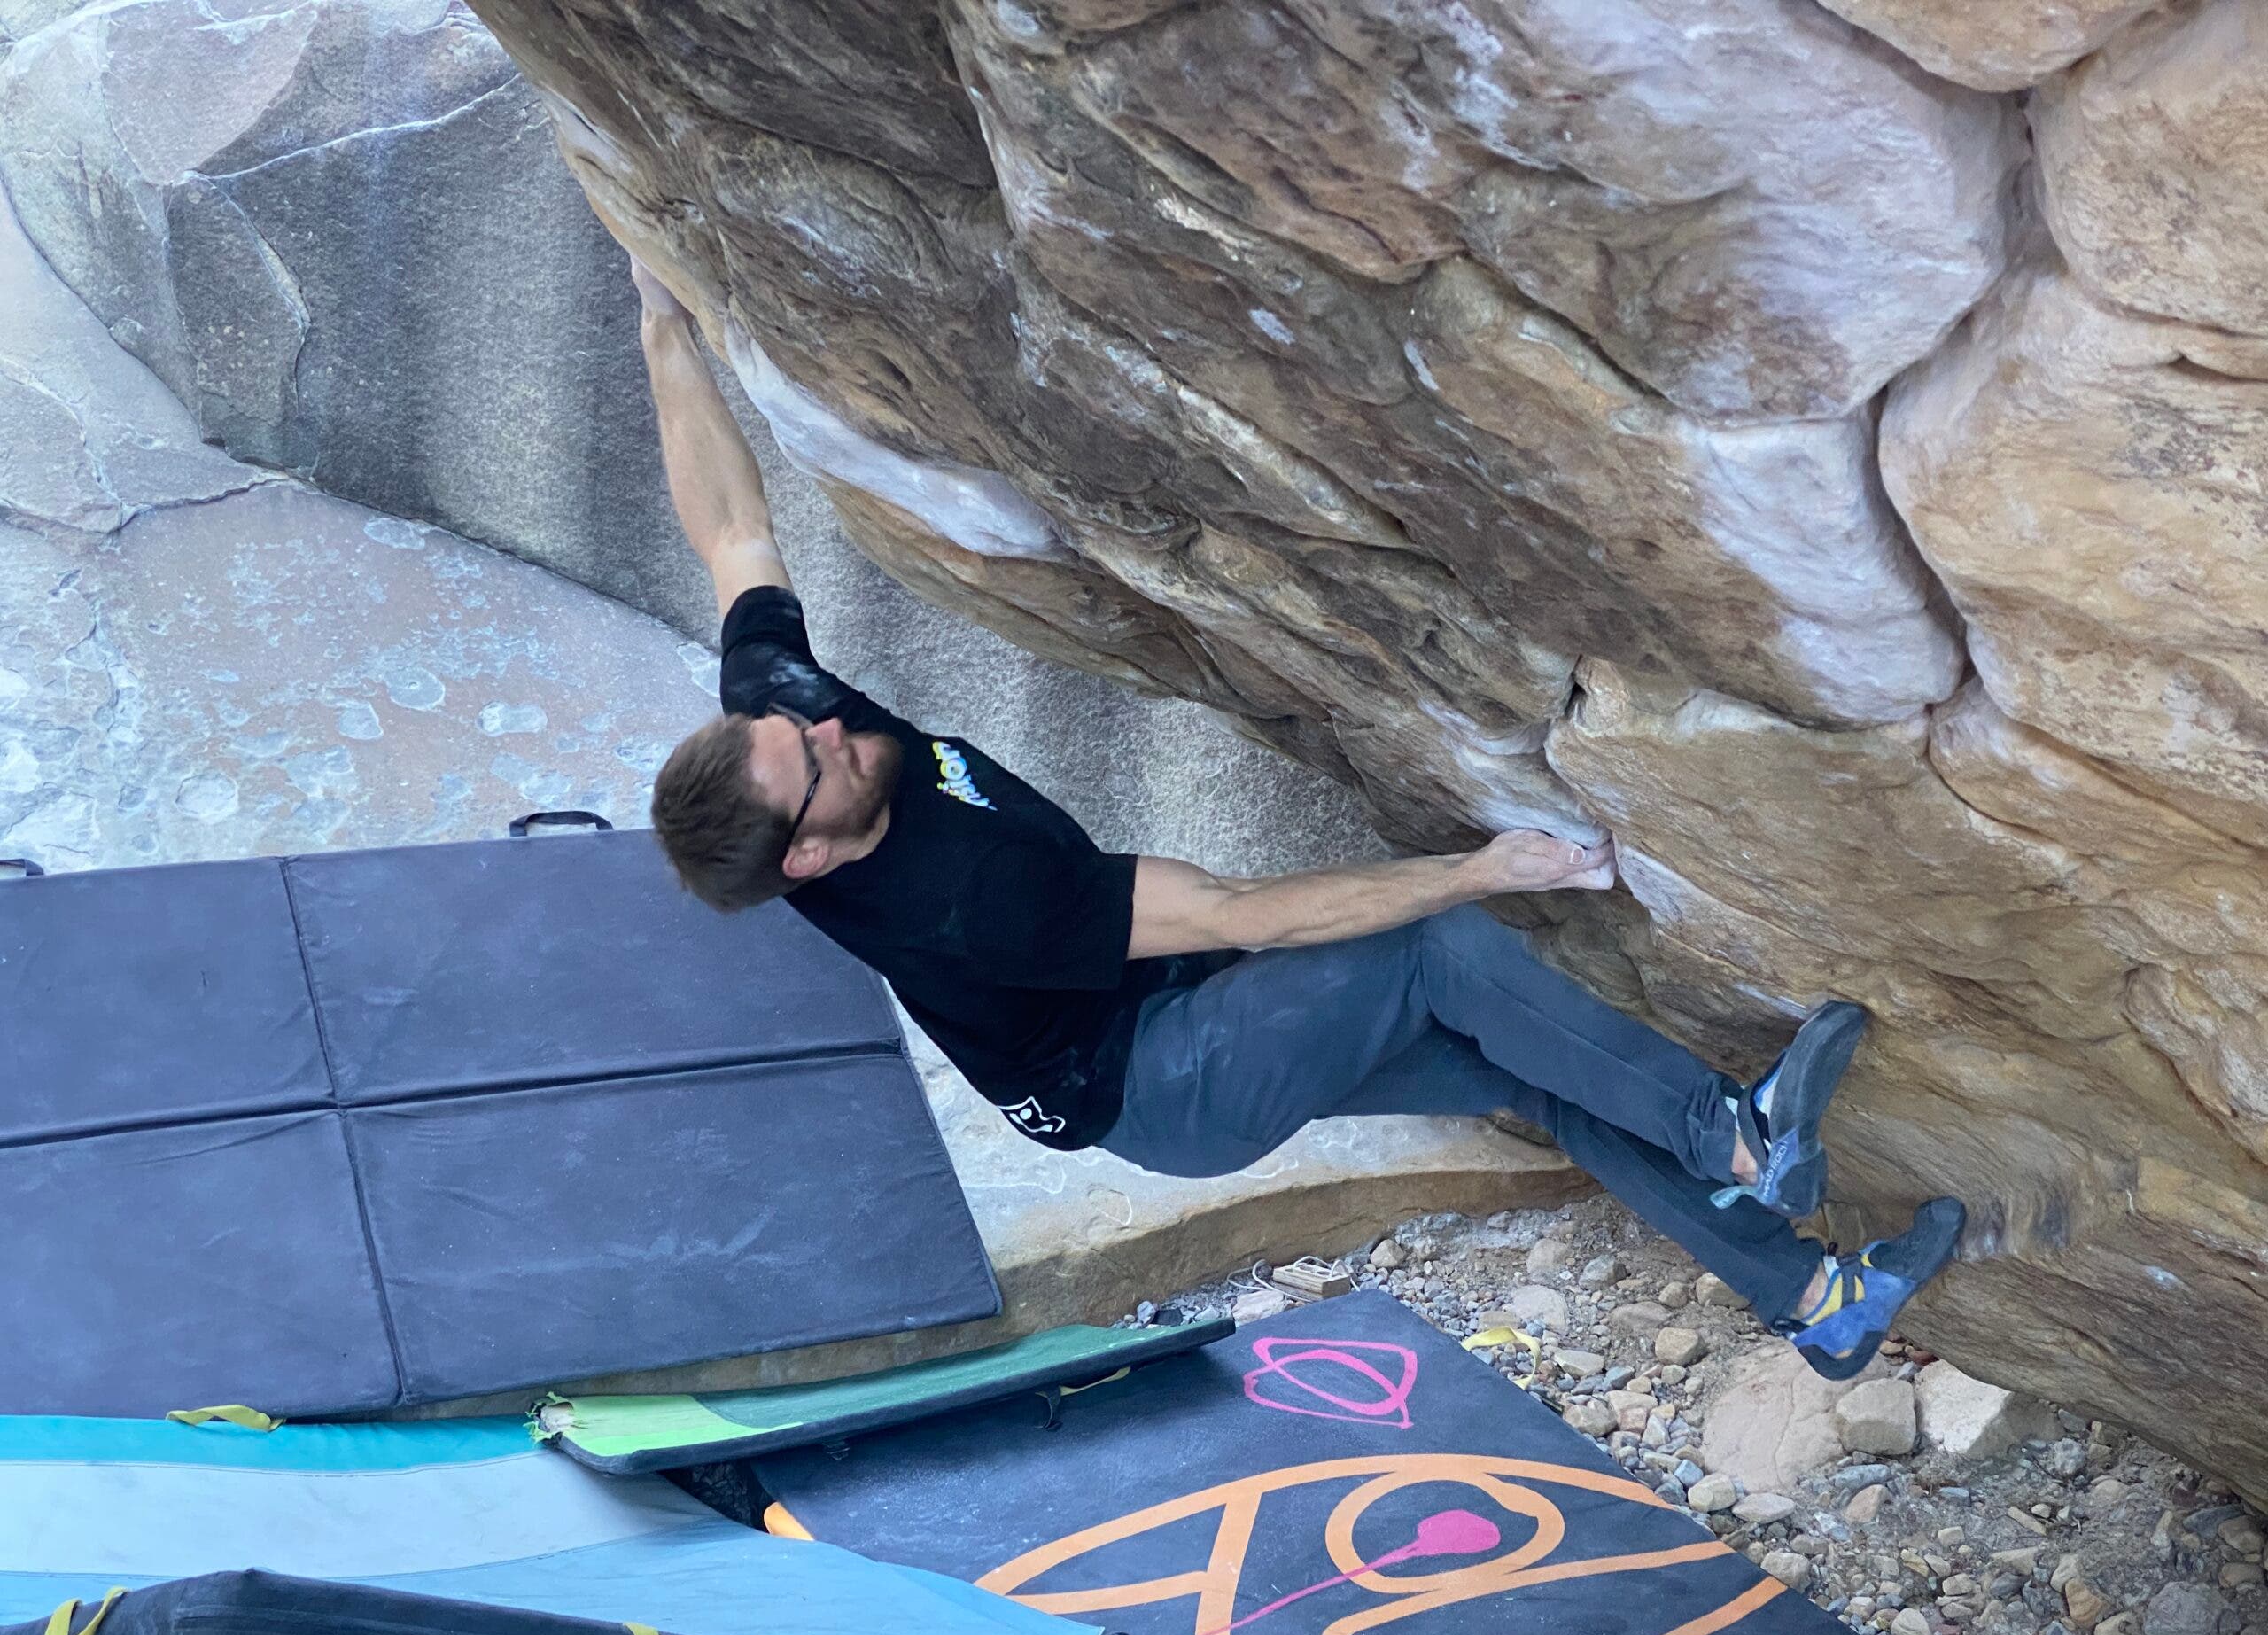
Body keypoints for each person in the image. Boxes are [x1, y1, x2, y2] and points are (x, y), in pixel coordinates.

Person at [628, 258, 1963, 1382]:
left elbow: (733, 533)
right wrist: (1482, 869)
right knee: (1441, 954)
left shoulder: (782, 734)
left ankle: (1817, 1305)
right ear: (808, 851)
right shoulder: (970, 900)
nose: (823, 723)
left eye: (796, 722)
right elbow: (1245, 915)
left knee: (1529, 1065)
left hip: (1172, 1002)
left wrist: (661, 319)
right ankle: (1733, 1133)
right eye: (810, 758)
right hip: (1160, 1081)